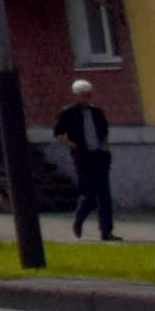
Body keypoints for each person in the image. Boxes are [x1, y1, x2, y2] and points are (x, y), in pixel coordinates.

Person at [51, 77, 117, 241]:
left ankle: (106, 231)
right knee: (88, 194)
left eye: (89, 95)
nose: (87, 99)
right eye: (84, 96)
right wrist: (74, 146)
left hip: (99, 156)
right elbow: (58, 134)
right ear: (77, 95)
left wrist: (105, 147)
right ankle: (79, 219)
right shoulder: (67, 113)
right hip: (82, 157)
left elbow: (104, 131)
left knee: (104, 195)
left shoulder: (97, 112)